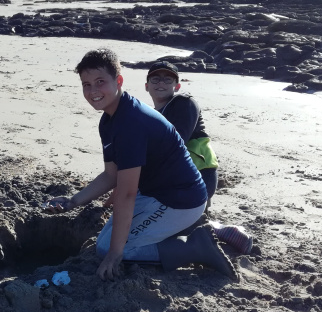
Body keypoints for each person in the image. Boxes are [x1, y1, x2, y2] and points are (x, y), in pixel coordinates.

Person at [45, 48, 237, 281]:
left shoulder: (131, 122)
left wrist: (115, 254)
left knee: (108, 248)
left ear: (119, 81)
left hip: (182, 201)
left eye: (100, 82)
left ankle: (194, 247)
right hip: (155, 194)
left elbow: (126, 194)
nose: (93, 91)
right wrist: (73, 201)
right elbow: (111, 175)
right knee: (107, 239)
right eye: (86, 84)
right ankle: (172, 235)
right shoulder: (109, 119)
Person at [145, 60, 253, 254]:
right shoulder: (153, 114)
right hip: (175, 180)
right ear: (147, 86)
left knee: (167, 228)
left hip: (198, 178)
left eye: (168, 79)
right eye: (155, 79)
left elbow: (175, 143)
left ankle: (218, 230)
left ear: (177, 86)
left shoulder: (184, 103)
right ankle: (205, 225)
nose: (161, 83)